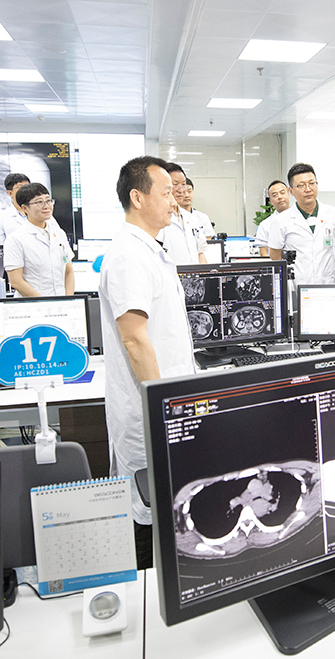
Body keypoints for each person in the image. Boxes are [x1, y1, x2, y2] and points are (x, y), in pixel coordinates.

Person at [100, 156, 195, 568]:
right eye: (167, 193)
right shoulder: (128, 256)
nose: (175, 201)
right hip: (150, 414)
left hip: (167, 402)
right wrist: (163, 408)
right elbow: (134, 340)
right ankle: (142, 598)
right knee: (147, 516)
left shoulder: (150, 250)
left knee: (165, 512)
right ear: (138, 198)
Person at [268, 163, 335, 284]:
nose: (308, 189)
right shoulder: (281, 221)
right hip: (298, 283)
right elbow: (275, 255)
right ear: (291, 191)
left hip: (327, 282)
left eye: (312, 183)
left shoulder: (334, 214)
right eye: (301, 185)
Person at [4, 183, 75, 297]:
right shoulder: (15, 239)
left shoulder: (59, 233)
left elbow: (69, 271)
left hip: (62, 302)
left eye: (48, 201)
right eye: (39, 202)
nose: (46, 206)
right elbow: (16, 281)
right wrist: (44, 303)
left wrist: (68, 298)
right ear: (25, 208)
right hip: (33, 304)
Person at [157, 162, 207, 265]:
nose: (181, 190)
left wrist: (205, 274)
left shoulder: (191, 217)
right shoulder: (157, 219)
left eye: (183, 184)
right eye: (175, 184)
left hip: (195, 274)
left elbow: (200, 253)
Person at [255, 180, 292, 257]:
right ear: (271, 201)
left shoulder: (301, 218)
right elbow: (264, 253)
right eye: (275, 195)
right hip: (276, 263)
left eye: (282, 193)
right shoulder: (265, 225)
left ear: (289, 194)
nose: (280, 197)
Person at [0, 173, 30, 247]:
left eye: (28, 187)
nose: (26, 191)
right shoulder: (3, 217)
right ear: (10, 193)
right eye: (20, 187)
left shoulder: (41, 212)